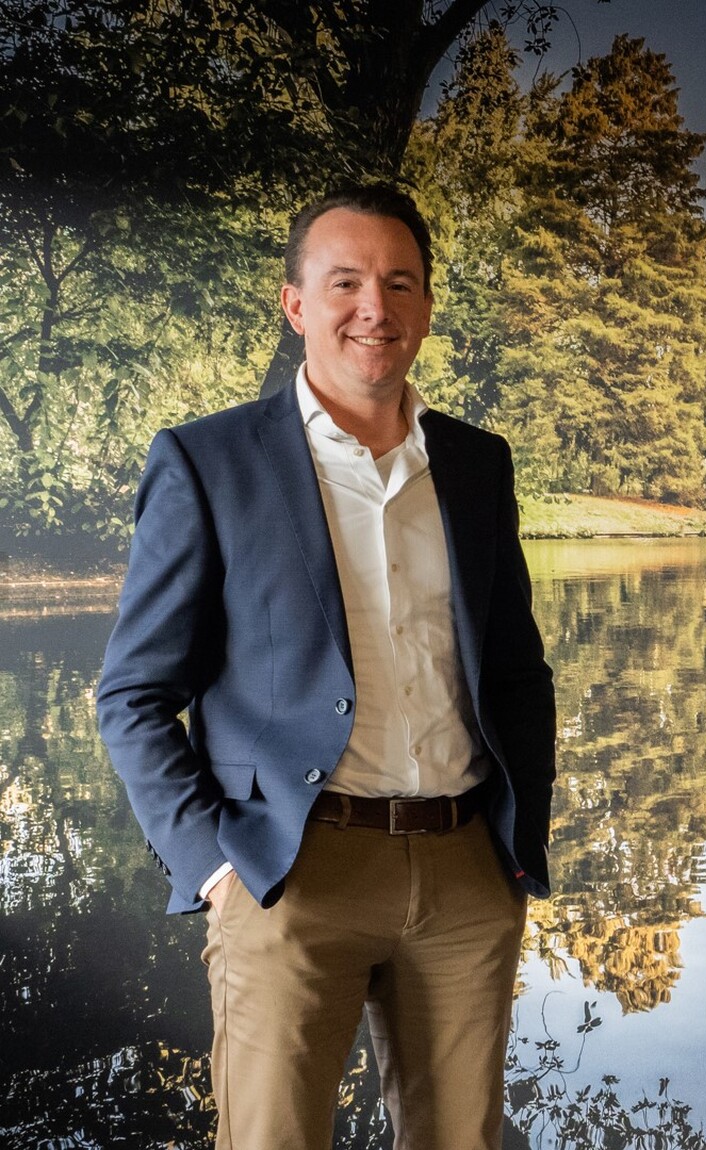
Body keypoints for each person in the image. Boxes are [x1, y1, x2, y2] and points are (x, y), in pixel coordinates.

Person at [96, 184, 556, 1150]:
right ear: (296, 303)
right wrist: (215, 865)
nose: (373, 308)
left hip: (465, 874)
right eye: (344, 282)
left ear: (426, 306)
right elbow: (134, 696)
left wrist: (514, 848)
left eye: (399, 284)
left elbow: (516, 670)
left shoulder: (478, 464)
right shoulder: (208, 462)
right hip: (289, 873)